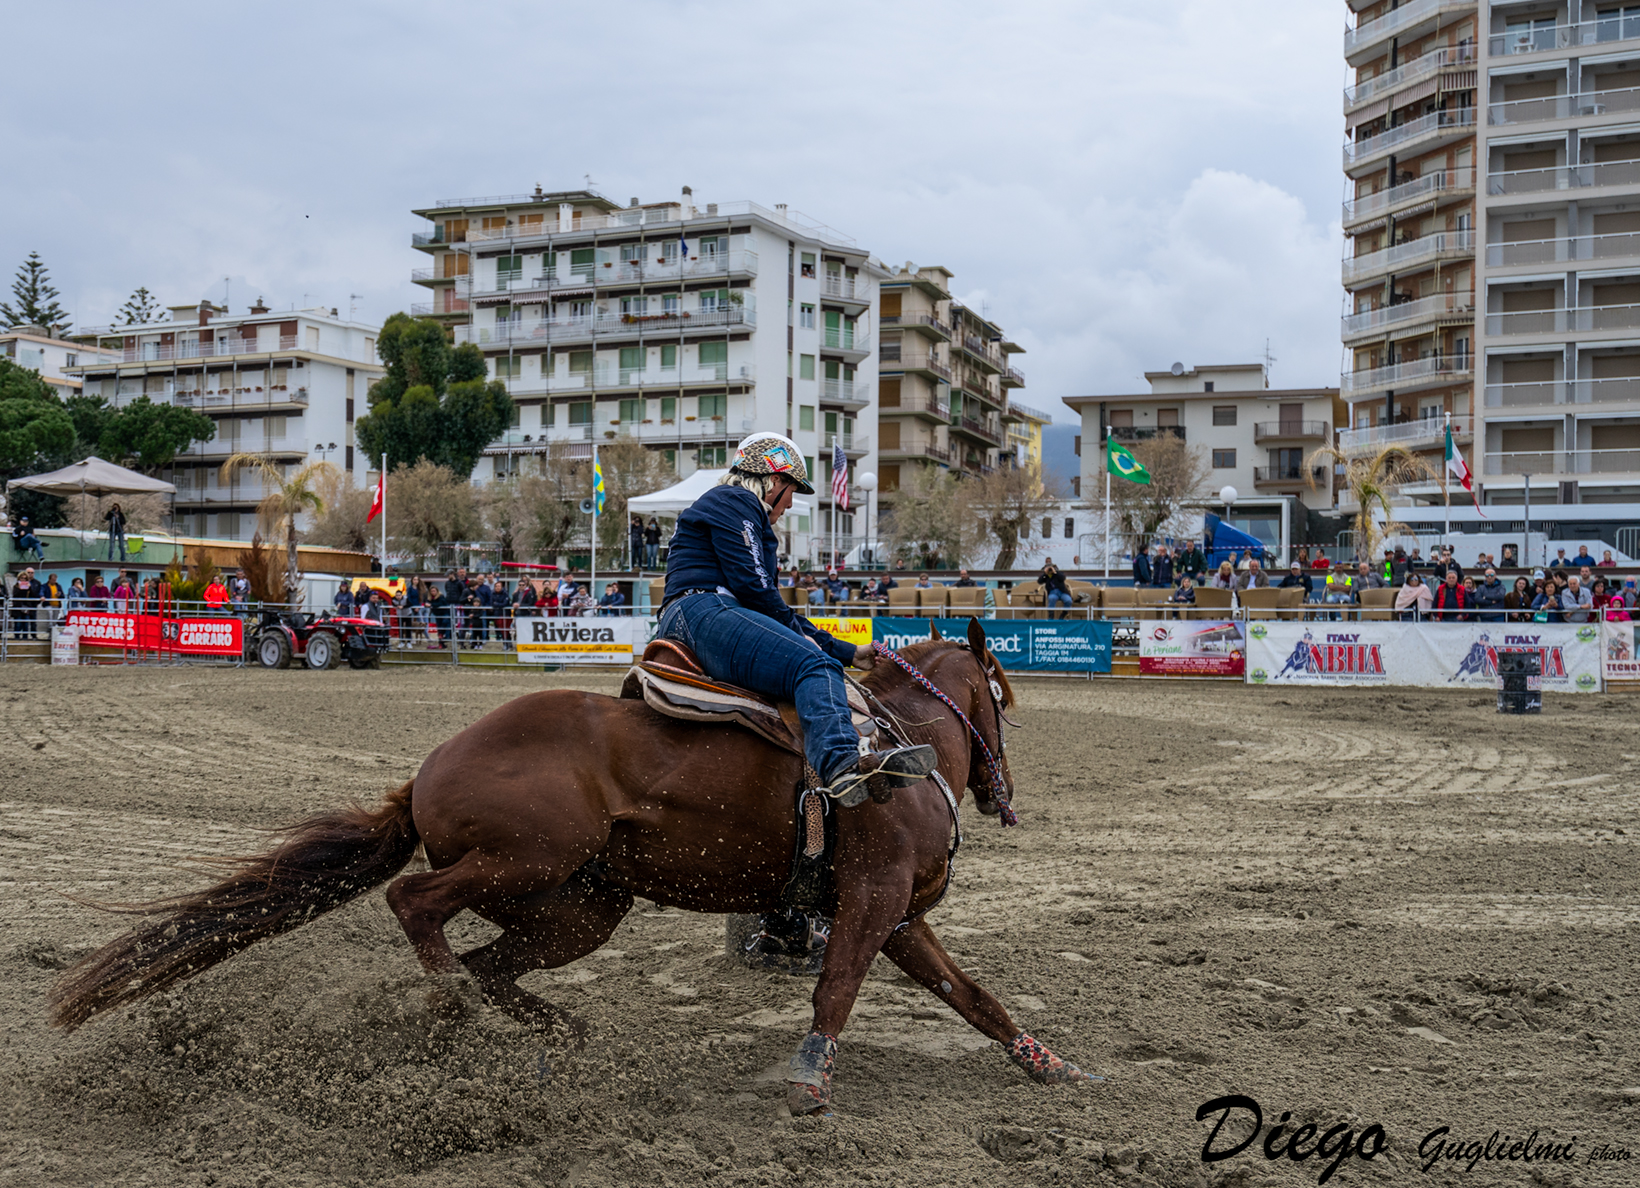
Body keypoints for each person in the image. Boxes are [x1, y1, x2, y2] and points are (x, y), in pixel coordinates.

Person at [656, 432, 934, 807]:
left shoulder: (726, 504)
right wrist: (830, 653)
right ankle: (842, 765)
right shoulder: (736, 501)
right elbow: (757, 591)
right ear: (773, 481)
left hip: (694, 613)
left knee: (813, 657)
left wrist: (850, 652)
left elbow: (769, 608)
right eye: (791, 491)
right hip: (704, 612)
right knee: (814, 665)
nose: (789, 504)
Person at [10, 568, 43, 639]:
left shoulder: (33, 585)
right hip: (18, 607)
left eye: (25, 579)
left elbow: (33, 596)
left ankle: (25, 637)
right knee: (18, 623)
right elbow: (15, 596)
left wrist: (29, 588)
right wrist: (20, 588)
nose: (23, 580)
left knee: (26, 623)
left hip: (27, 607)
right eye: (22, 578)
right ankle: (17, 637)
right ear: (19, 578)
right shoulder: (15, 586)